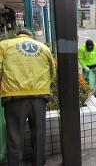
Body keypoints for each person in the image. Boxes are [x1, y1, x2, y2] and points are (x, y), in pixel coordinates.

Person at [0, 28, 56, 165]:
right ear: (31, 37)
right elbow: (53, 71)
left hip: (13, 96)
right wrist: (43, 86)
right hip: (39, 95)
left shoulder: (4, 45)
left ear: (16, 35)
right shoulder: (43, 48)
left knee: (14, 135)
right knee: (39, 134)